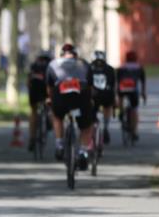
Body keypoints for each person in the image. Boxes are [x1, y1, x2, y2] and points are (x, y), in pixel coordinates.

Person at [46, 43, 95, 171]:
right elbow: (90, 87)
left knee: (57, 116)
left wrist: (50, 99)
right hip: (80, 96)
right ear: (76, 55)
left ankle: (59, 145)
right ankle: (83, 152)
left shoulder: (53, 64)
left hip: (60, 95)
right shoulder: (84, 64)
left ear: (61, 54)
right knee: (86, 125)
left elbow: (49, 88)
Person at [117, 50, 147, 139]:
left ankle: (121, 112)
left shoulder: (121, 68)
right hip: (133, 90)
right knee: (134, 109)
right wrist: (143, 93)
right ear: (136, 58)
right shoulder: (139, 68)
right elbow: (143, 82)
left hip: (122, 89)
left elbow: (117, 82)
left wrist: (116, 93)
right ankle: (134, 131)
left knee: (121, 97)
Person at [26, 50, 53, 152]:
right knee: (51, 106)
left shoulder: (34, 65)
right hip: (46, 89)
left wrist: (29, 90)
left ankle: (32, 138)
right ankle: (49, 122)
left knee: (33, 111)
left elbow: (28, 81)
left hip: (34, 89)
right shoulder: (51, 65)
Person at [89, 50, 116, 145]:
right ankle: (106, 126)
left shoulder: (89, 68)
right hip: (107, 94)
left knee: (91, 113)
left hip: (93, 95)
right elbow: (113, 86)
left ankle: (91, 136)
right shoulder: (110, 69)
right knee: (107, 106)